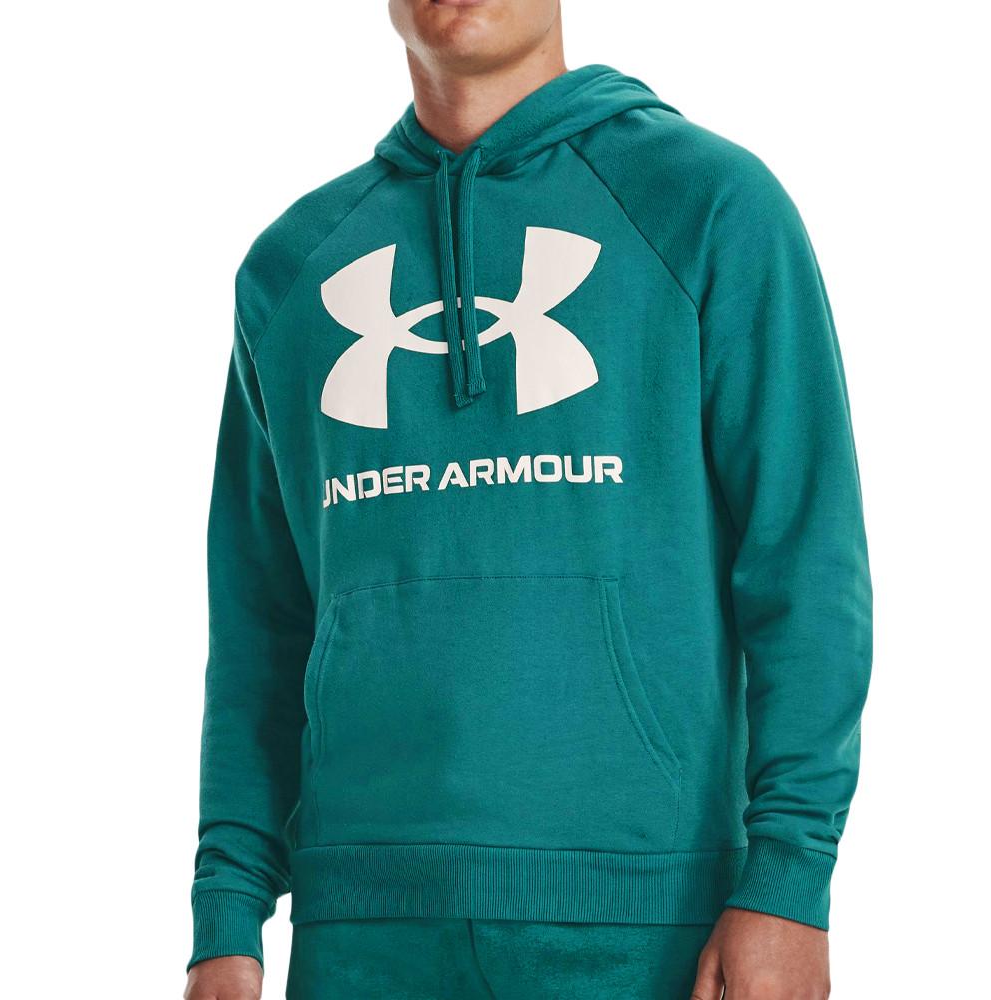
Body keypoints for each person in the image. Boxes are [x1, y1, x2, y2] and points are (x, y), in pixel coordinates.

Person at [184, 1, 872, 997]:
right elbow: (260, 622)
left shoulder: (708, 206)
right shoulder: (292, 269)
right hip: (360, 930)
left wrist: (789, 879)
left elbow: (805, 561)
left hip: (649, 921)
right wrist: (227, 908)